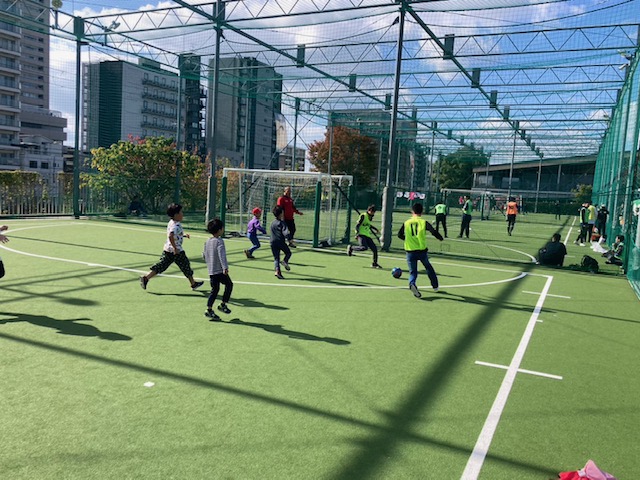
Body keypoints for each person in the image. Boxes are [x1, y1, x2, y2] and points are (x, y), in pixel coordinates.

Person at [139, 203, 204, 291]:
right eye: (181, 212)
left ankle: (146, 278)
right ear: (176, 215)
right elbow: (171, 235)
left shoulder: (171, 222)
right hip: (176, 251)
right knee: (185, 266)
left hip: (168, 249)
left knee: (162, 265)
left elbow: (175, 235)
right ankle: (193, 283)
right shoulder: (176, 225)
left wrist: (183, 235)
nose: (182, 214)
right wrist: (175, 248)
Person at [397, 203, 444, 298]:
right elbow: (433, 231)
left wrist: (407, 240)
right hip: (421, 251)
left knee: (413, 272)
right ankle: (435, 286)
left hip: (410, 251)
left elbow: (399, 235)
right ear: (421, 212)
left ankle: (412, 283)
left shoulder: (406, 223)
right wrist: (440, 238)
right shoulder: (423, 222)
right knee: (428, 268)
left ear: (412, 211)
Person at [203, 218, 233, 321]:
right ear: (220, 230)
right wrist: (225, 267)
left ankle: (209, 309)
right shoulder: (219, 241)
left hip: (211, 271)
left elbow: (204, 254)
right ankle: (223, 304)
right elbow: (222, 255)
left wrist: (209, 263)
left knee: (214, 290)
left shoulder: (207, 241)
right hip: (219, 270)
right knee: (229, 284)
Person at [270, 205, 292, 279]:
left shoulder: (272, 223)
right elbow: (285, 232)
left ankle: (277, 271)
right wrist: (290, 240)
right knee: (288, 253)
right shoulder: (282, 223)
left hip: (272, 242)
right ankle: (285, 261)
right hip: (280, 241)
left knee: (276, 258)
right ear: (281, 213)